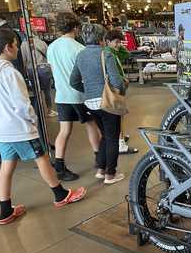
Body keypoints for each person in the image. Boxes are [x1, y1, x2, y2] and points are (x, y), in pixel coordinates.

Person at [0, 28, 86, 225]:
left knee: (6, 167)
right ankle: (60, 194)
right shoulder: (10, 73)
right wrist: (33, 120)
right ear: (8, 47)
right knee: (42, 159)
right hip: (19, 128)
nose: (18, 48)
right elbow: (21, 104)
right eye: (16, 44)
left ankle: (5, 211)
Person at [47, 12, 102, 181]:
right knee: (91, 125)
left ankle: (60, 165)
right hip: (79, 95)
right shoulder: (79, 49)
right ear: (76, 27)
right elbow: (84, 75)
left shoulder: (52, 47)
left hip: (61, 95)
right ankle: (100, 160)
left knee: (64, 130)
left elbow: (52, 69)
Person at [70, 24, 126, 185]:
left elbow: (73, 81)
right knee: (113, 138)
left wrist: (88, 90)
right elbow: (116, 81)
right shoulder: (105, 54)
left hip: (90, 103)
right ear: (102, 39)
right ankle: (110, 174)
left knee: (104, 137)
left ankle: (101, 169)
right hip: (107, 102)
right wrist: (122, 87)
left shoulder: (80, 55)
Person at [104, 28, 138, 155]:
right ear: (107, 41)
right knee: (119, 115)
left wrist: (119, 46)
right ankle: (121, 143)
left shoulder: (112, 51)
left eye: (120, 42)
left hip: (116, 88)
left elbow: (127, 54)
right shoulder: (109, 53)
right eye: (116, 42)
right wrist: (122, 85)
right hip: (115, 89)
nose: (118, 45)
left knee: (119, 116)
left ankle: (120, 138)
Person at [20, 33, 57, 116]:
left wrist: (25, 71)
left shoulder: (23, 45)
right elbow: (49, 55)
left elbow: (24, 60)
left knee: (36, 91)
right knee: (47, 91)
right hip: (43, 68)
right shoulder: (42, 42)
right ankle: (49, 110)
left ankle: (39, 110)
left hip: (31, 69)